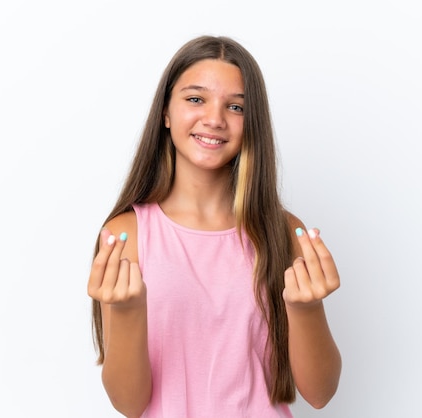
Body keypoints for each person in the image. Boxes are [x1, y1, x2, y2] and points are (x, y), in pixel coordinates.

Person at [87, 35, 342, 417]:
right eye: (195, 99)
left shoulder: (285, 233)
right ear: (166, 112)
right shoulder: (126, 235)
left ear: (251, 122)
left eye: (236, 106)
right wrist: (126, 314)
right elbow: (129, 403)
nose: (214, 119)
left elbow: (320, 393)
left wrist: (307, 310)